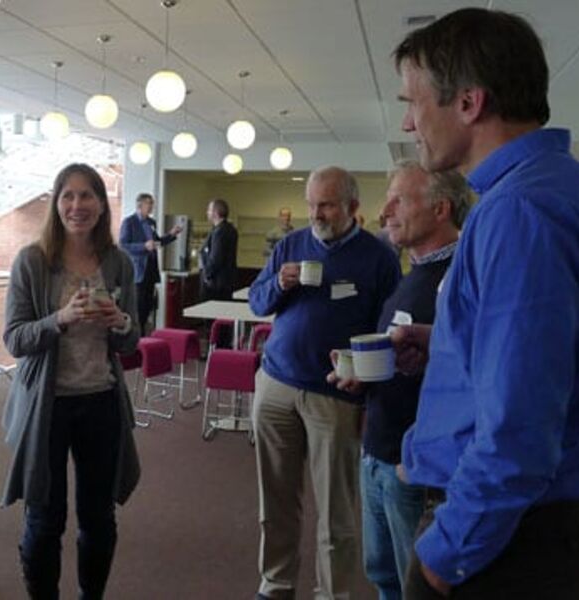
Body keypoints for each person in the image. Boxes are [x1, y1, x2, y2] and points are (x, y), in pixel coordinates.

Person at [391, 8, 579, 598]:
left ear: (469, 103)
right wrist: (446, 342)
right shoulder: (550, 186)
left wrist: (443, 558)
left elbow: (519, 429)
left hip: (509, 538)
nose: (409, 120)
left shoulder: (516, 212)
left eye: (415, 102)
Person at [248, 166, 400, 600]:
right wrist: (279, 282)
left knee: (336, 512)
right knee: (274, 503)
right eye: (312, 204)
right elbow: (259, 301)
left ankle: (333, 594)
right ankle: (275, 585)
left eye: (327, 205)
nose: (316, 213)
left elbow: (387, 331)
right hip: (275, 384)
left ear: (353, 207)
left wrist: (370, 393)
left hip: (334, 395)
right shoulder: (291, 245)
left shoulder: (379, 257)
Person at [327, 161, 471, 600]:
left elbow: (473, 375)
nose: (384, 210)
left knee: (416, 586)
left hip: (417, 468)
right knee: (383, 576)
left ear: (441, 208)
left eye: (399, 200)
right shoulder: (412, 273)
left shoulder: (462, 280)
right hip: (378, 451)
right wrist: (361, 375)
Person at [2, 163, 141, 600]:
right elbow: (14, 338)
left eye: (87, 196)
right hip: (48, 405)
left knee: (98, 517)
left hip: (101, 401)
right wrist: (59, 319)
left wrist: (120, 322)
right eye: (68, 196)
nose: (77, 205)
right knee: (45, 516)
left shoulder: (117, 263)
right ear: (56, 203)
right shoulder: (32, 261)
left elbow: (131, 340)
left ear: (102, 205)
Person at [119, 192, 182, 333]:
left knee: (148, 304)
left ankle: (143, 332)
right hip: (138, 270)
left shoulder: (151, 223)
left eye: (152, 203)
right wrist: (143, 246)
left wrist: (171, 235)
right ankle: (137, 334)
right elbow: (123, 245)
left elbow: (157, 242)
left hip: (151, 269)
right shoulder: (129, 222)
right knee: (138, 305)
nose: (152, 206)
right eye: (149, 203)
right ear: (140, 205)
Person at [199, 197, 238, 302]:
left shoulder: (219, 232)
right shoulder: (230, 229)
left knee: (211, 315)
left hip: (216, 284)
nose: (207, 213)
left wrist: (207, 275)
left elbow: (216, 258)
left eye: (209, 210)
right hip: (225, 282)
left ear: (215, 213)